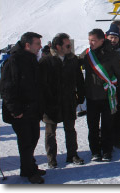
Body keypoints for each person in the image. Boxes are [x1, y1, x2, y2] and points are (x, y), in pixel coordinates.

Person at [0, 32, 46, 184]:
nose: (40, 47)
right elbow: (7, 88)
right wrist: (15, 110)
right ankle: (30, 172)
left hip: (32, 109)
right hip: (21, 111)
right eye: (37, 44)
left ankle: (28, 167)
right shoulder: (14, 60)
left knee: (33, 138)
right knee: (26, 142)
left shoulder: (31, 58)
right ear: (28, 45)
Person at [39, 33, 85, 169]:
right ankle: (51, 159)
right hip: (51, 103)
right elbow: (42, 85)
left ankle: (72, 154)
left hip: (69, 100)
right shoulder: (46, 61)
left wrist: (80, 95)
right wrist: (46, 102)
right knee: (50, 132)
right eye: (67, 45)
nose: (70, 47)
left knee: (70, 129)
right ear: (58, 47)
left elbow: (79, 80)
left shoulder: (73, 60)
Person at [82, 29, 120, 162]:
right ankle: (95, 151)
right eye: (89, 40)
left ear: (102, 40)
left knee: (107, 125)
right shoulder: (87, 54)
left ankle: (107, 150)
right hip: (92, 96)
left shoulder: (112, 55)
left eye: (93, 40)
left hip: (109, 96)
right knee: (93, 126)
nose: (91, 43)